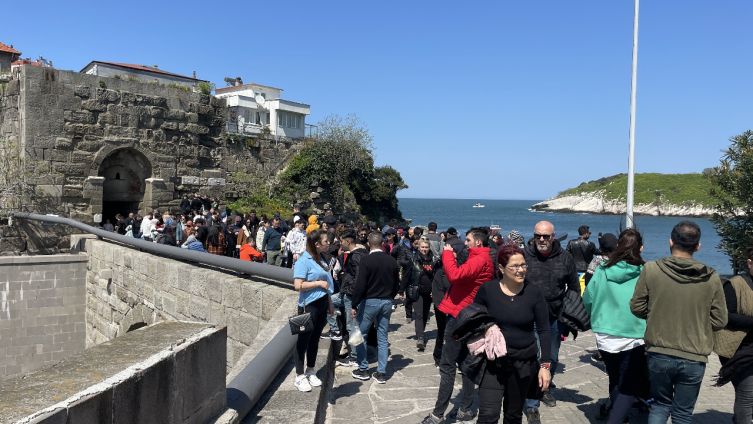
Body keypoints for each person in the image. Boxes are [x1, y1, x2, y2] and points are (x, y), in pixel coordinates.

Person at [630, 221, 727, 424]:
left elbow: (637, 308)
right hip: (694, 353)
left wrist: (658, 313)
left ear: (671, 242)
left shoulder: (651, 269)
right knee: (683, 413)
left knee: (659, 406)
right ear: (698, 246)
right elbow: (720, 320)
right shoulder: (711, 277)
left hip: (659, 350)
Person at [420, 227, 494, 424]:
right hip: (467, 315)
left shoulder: (479, 259)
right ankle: (465, 409)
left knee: (447, 365)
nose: (466, 243)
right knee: (464, 364)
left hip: (460, 317)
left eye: (468, 240)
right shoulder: (479, 257)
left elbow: (454, 275)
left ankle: (437, 414)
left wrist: (447, 254)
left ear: (478, 242)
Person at [472, 244, 552, 424]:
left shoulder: (533, 292)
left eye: (523, 265)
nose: (520, 270)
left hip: (523, 363)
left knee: (513, 416)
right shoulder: (487, 290)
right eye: (514, 266)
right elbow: (473, 318)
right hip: (493, 362)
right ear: (501, 268)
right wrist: (487, 326)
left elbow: (544, 330)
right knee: (488, 415)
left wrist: (545, 366)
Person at [583, 229, 648, 424]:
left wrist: (598, 315)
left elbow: (588, 298)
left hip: (605, 332)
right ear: (641, 248)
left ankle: (623, 418)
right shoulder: (645, 272)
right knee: (629, 385)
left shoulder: (602, 269)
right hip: (635, 333)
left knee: (614, 378)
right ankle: (618, 419)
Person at [522, 221, 578, 423]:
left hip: (554, 317)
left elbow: (573, 288)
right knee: (535, 359)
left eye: (546, 236)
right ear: (534, 236)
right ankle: (531, 405)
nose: (542, 240)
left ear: (554, 236)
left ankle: (545, 386)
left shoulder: (565, 258)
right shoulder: (525, 256)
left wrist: (571, 315)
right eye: (538, 236)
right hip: (528, 317)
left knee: (552, 358)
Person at [350, 232, 400, 384]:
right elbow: (397, 284)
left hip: (370, 301)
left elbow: (360, 285)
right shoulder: (391, 261)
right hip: (386, 302)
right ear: (382, 243)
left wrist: (354, 304)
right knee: (382, 337)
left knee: (362, 335)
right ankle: (381, 372)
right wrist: (391, 296)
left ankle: (363, 369)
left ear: (369, 244)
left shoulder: (366, 260)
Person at [713, 243, 753, 424]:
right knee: (747, 395)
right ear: (750, 263)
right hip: (739, 351)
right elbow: (726, 316)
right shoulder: (734, 285)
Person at [292, 228, 335, 392]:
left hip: (322, 303)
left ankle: (311, 369)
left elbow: (327, 282)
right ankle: (299, 375)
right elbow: (298, 285)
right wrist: (317, 283)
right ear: (317, 244)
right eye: (325, 241)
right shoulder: (304, 260)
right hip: (309, 305)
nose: (328, 243)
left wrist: (330, 302)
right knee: (302, 341)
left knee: (315, 339)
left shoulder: (321, 258)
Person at [333, 229, 368, 366]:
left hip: (350, 294)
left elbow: (358, 277)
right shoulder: (361, 254)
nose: (340, 244)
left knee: (351, 325)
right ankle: (334, 329)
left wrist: (344, 278)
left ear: (348, 241)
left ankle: (353, 356)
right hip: (348, 293)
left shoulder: (356, 256)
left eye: (341, 241)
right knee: (327, 301)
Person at [399, 237, 440, 351]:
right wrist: (401, 291)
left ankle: (421, 332)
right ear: (418, 247)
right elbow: (406, 277)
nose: (424, 249)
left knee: (426, 314)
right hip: (417, 291)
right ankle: (420, 338)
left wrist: (436, 290)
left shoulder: (434, 260)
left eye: (426, 247)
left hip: (429, 292)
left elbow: (436, 277)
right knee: (419, 314)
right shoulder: (413, 260)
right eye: (422, 247)